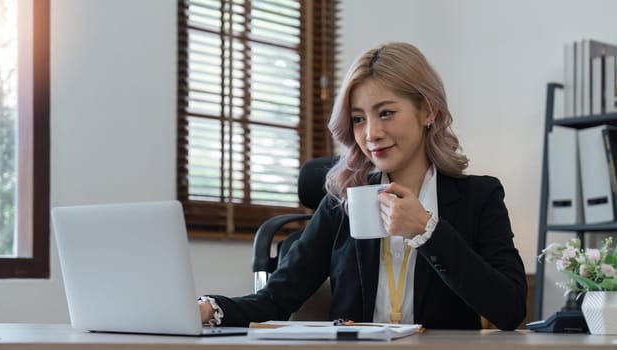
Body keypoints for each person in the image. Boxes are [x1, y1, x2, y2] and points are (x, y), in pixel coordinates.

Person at [199, 42, 527, 330]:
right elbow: (275, 299)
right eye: (358, 119)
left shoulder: (479, 196)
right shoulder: (341, 201)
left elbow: (510, 310)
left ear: (428, 110)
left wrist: (427, 231)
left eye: (386, 113)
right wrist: (206, 310)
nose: (371, 133)